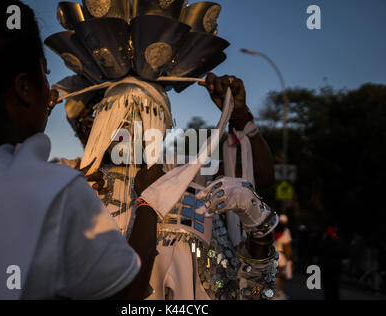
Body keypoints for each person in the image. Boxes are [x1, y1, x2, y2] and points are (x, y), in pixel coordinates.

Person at [49, 0, 278, 300]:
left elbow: (258, 178)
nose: (130, 128)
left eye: (144, 115)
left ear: (162, 124)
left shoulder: (188, 177)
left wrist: (240, 115)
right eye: (117, 116)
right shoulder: (70, 180)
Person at [0, 0, 157, 300]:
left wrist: (25, 118)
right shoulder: (55, 193)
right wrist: (151, 201)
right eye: (44, 74)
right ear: (23, 88)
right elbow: (126, 295)